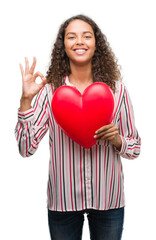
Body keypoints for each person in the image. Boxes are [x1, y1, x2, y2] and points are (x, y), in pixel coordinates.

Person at [15, 14, 141, 240]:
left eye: (86, 36)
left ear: (96, 44)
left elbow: (135, 148)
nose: (79, 41)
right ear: (63, 46)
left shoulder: (117, 91)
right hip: (63, 200)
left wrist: (117, 140)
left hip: (108, 199)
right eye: (71, 37)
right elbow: (26, 149)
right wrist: (26, 101)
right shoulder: (50, 92)